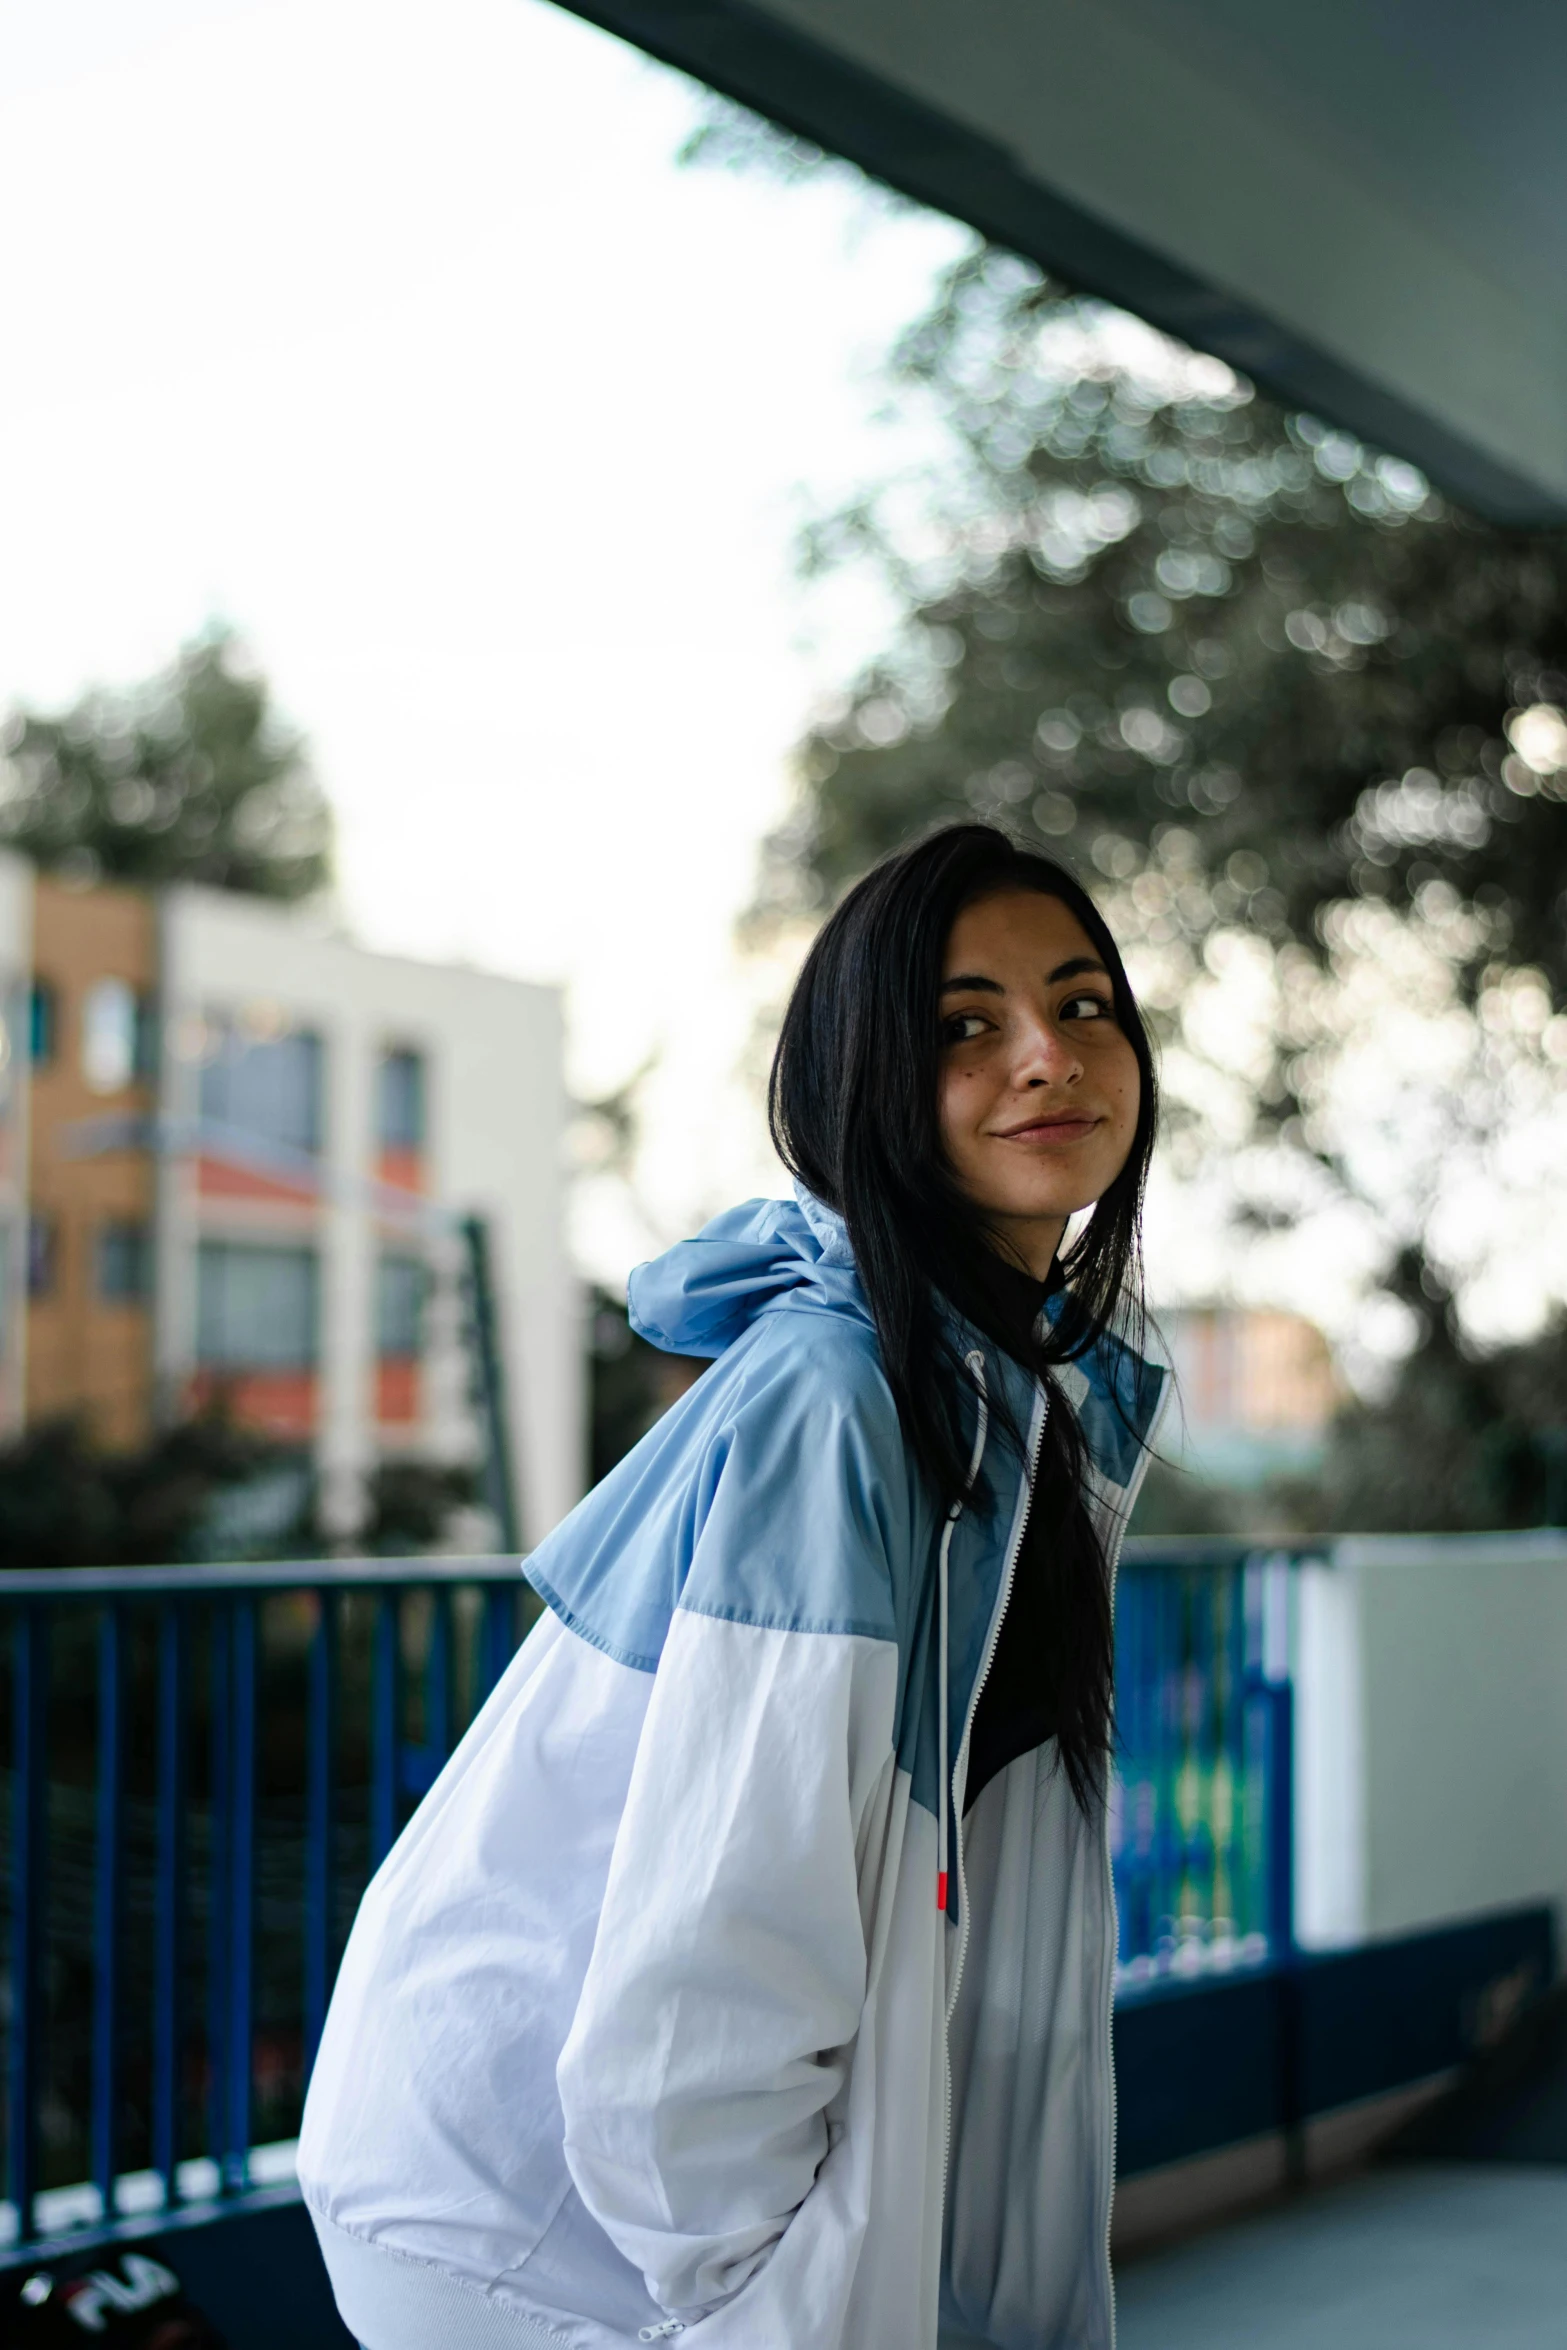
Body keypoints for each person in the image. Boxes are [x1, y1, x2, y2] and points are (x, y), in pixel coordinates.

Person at [299, 822, 1170, 2350]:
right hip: (521, 2214)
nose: (1046, 1054)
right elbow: (711, 1957)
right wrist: (757, 2296)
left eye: (1082, 1002)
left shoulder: (1026, 1405)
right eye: (965, 1026)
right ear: (863, 1086)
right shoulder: (835, 1395)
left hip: (635, 2197)